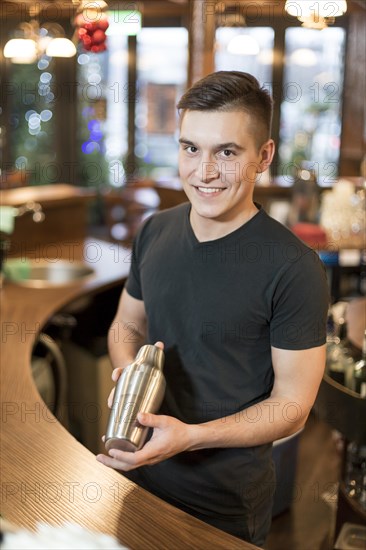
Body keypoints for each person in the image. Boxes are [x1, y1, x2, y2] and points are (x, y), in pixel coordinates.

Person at [96, 71, 329, 547]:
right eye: (189, 148)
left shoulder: (293, 267)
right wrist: (129, 378)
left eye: (226, 152)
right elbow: (127, 324)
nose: (203, 172)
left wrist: (188, 437)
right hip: (133, 473)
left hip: (222, 502)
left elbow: (293, 406)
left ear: (262, 157)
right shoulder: (155, 231)